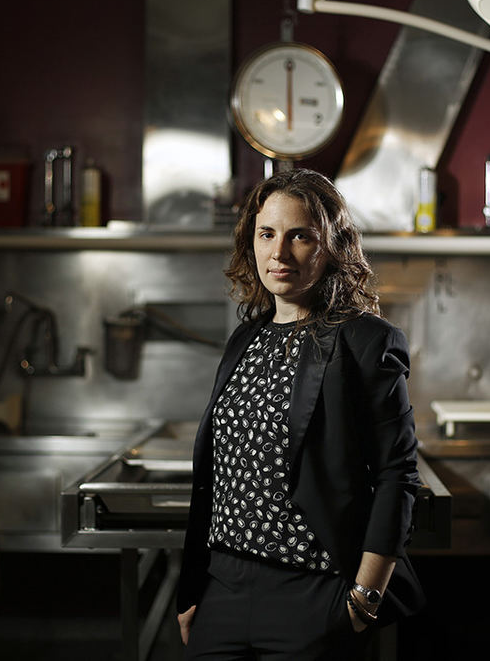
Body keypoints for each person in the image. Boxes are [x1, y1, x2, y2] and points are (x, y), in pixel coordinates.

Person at [176, 168, 424, 660]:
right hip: (222, 587)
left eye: (300, 237)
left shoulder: (366, 341)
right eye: (266, 233)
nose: (279, 252)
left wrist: (363, 599)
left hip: (312, 594)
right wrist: (193, 588)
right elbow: (216, 478)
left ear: (331, 246)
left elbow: (398, 474)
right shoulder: (245, 339)